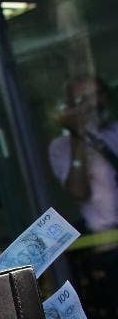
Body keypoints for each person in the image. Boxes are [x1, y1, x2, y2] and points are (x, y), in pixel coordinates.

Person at [49, 74, 118, 233]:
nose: (92, 104)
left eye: (97, 95)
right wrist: (77, 134)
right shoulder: (61, 146)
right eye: (82, 101)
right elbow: (79, 192)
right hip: (108, 234)